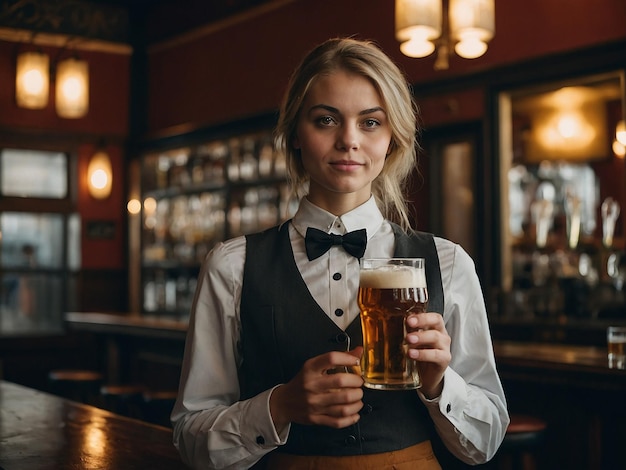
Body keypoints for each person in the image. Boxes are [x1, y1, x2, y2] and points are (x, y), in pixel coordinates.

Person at [171, 37, 509, 470]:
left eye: (370, 122)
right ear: (295, 132)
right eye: (326, 119)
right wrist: (278, 407)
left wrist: (441, 383)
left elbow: (485, 442)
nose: (349, 140)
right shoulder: (232, 265)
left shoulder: (448, 262)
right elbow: (190, 440)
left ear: (393, 138)